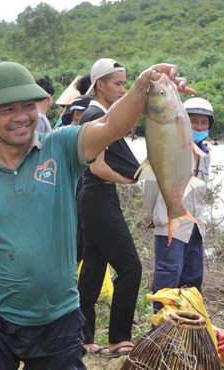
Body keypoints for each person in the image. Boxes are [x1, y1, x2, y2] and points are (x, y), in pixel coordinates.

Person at [0, 61, 189, 370]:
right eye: (7, 109)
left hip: (58, 317)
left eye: (28, 105)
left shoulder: (62, 147)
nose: (21, 117)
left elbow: (111, 126)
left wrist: (143, 85)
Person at [77, 58, 142, 357]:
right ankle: (118, 338)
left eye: (125, 84)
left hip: (91, 197)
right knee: (131, 266)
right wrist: (129, 180)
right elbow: (98, 167)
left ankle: (84, 337)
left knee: (93, 270)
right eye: (117, 84)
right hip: (98, 195)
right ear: (99, 84)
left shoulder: (100, 114)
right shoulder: (95, 116)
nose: (122, 89)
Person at [144, 97, 214, 311]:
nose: (199, 127)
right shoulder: (169, 146)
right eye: (194, 121)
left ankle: (186, 327)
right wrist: (153, 216)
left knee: (192, 278)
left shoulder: (205, 154)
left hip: (194, 226)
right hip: (170, 222)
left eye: (204, 123)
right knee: (168, 276)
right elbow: (151, 184)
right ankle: (161, 330)